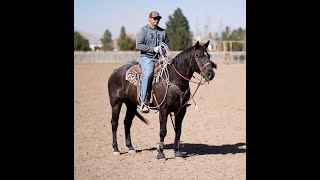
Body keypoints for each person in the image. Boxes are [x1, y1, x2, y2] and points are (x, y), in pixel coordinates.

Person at [136, 11, 170, 113]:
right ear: (149, 19)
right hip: (147, 58)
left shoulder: (163, 32)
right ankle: (143, 102)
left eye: (158, 18)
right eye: (154, 18)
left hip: (160, 58)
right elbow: (138, 45)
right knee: (148, 74)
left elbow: (167, 45)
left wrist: (164, 53)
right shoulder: (143, 30)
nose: (157, 20)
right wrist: (153, 49)